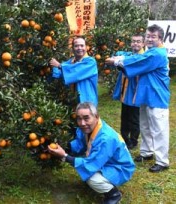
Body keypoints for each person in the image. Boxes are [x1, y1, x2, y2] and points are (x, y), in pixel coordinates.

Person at [105, 24, 170, 173]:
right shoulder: (150, 52)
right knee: (145, 126)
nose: (149, 39)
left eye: (153, 36)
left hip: (157, 97)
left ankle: (162, 161)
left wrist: (116, 61)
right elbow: (137, 57)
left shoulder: (157, 54)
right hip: (146, 96)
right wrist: (121, 58)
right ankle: (146, 152)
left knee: (159, 129)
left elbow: (138, 62)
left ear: (160, 38)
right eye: (148, 36)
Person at [48, 102, 135, 204]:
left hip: (120, 168)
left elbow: (91, 163)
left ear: (96, 117)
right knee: (82, 164)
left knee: (91, 177)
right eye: (79, 118)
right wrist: (64, 145)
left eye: (86, 118)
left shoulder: (105, 138)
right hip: (106, 161)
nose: (82, 123)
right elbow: (80, 143)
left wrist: (64, 156)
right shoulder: (89, 128)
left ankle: (113, 195)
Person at [112, 33, 145, 150]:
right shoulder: (130, 55)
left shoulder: (143, 57)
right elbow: (118, 55)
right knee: (125, 117)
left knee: (134, 118)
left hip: (136, 92)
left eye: (138, 41)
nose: (135, 43)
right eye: (133, 41)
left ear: (143, 43)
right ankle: (125, 138)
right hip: (126, 92)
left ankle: (133, 140)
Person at [49, 36, 98, 107]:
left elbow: (77, 71)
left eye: (82, 45)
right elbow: (59, 73)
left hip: (87, 99)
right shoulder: (71, 62)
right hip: (73, 99)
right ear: (72, 48)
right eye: (76, 46)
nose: (79, 48)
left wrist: (59, 66)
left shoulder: (90, 62)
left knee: (88, 117)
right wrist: (52, 64)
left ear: (86, 47)